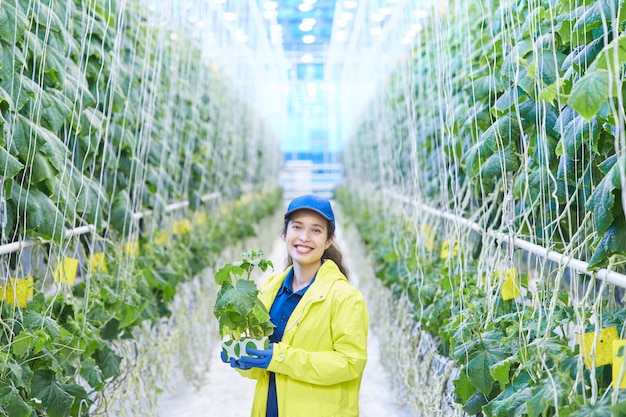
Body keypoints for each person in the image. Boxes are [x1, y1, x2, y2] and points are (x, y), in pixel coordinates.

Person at [222, 194, 369, 417]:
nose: (304, 237)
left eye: (316, 230)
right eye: (297, 227)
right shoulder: (271, 288)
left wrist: (280, 357)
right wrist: (244, 360)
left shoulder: (344, 297)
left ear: (329, 240)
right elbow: (265, 367)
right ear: (285, 233)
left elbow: (350, 363)